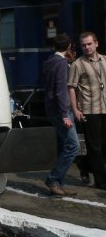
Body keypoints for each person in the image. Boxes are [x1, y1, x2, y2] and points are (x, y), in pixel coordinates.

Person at [42, 34, 80, 196]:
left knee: (64, 145)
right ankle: (53, 178)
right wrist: (65, 113)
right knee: (73, 146)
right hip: (60, 111)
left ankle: (60, 183)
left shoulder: (50, 61)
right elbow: (61, 90)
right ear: (68, 46)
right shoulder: (62, 63)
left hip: (52, 109)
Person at [68, 31, 106, 190]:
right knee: (95, 146)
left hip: (105, 107)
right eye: (84, 45)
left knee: (103, 145)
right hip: (89, 109)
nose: (87, 47)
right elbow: (71, 87)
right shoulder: (77, 64)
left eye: (90, 44)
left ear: (96, 43)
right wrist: (75, 109)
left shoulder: (105, 60)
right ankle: (101, 181)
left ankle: (83, 163)